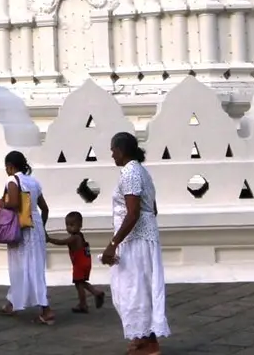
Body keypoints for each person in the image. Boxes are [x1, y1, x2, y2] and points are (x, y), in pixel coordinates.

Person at [101, 131, 170, 354]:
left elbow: (133, 214)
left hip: (135, 240)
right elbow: (152, 209)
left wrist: (113, 243)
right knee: (139, 289)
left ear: (121, 150)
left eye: (113, 150)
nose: (112, 155)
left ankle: (149, 343)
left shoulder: (130, 172)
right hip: (142, 238)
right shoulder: (142, 171)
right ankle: (143, 337)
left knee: (134, 290)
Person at [0, 150, 57, 325]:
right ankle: (13, 302)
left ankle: (46, 309)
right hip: (35, 227)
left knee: (19, 266)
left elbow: (14, 203)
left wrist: (1, 203)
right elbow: (45, 209)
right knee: (34, 266)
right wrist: (42, 228)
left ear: (10, 167)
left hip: (21, 229)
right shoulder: (34, 182)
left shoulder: (12, 180)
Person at [47, 210, 106, 313]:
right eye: (67, 225)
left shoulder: (74, 238)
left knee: (79, 285)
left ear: (80, 225)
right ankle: (96, 292)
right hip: (86, 262)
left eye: (72, 225)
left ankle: (83, 304)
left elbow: (62, 242)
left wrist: (49, 239)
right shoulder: (80, 235)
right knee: (81, 282)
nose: (69, 227)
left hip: (79, 264)